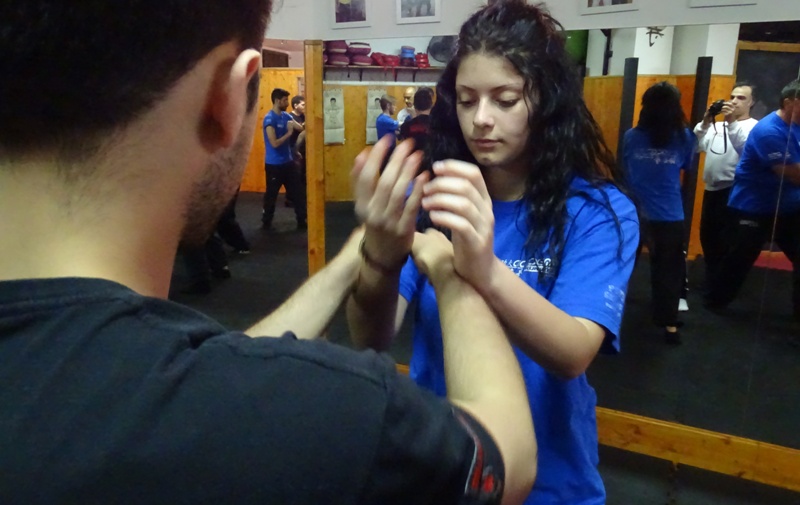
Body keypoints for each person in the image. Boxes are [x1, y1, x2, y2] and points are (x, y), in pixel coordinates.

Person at [0, 2, 538, 503]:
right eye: (468, 101)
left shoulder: (133, 394)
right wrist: (451, 267)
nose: (482, 119)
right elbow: (507, 451)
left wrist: (360, 252)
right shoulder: (333, 415)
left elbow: (207, 378)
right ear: (232, 92)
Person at [347, 1, 639, 503]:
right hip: (447, 472)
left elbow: (572, 353)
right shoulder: (440, 198)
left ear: (543, 99)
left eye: (504, 100)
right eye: (466, 100)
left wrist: (483, 271)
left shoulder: (596, 212)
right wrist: (379, 256)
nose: (481, 120)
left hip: (551, 483)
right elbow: (372, 337)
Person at [705, 79, 800, 324]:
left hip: (788, 207)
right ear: (789, 102)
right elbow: (793, 174)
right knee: (739, 258)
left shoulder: (797, 124)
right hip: (753, 207)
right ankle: (713, 302)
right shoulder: (769, 131)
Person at [623, 82, 695, 344]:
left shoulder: (631, 137)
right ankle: (669, 325)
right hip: (669, 215)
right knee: (668, 270)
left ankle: (609, 315)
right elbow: (687, 164)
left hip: (634, 212)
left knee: (623, 264)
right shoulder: (684, 137)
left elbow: (626, 169)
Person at [694, 82, 758, 288]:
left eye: (741, 98)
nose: (734, 101)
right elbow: (695, 146)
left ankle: (722, 285)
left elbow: (746, 149)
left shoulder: (755, 127)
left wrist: (731, 122)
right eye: (732, 96)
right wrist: (705, 122)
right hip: (711, 188)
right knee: (708, 237)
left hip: (734, 190)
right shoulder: (718, 125)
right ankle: (712, 280)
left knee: (727, 241)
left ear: (752, 102)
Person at [262, 88, 306, 230]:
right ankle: (266, 222)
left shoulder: (286, 116)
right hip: (274, 165)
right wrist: (289, 133)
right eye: (285, 100)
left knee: (297, 193)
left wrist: (309, 116)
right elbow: (274, 143)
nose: (287, 102)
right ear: (277, 100)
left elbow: (300, 128)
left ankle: (301, 220)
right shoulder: (269, 119)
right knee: (271, 195)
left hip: (288, 163)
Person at [399, 87, 434, 153]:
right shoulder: (439, 125)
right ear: (431, 105)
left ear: (414, 106)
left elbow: (404, 148)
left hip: (413, 160)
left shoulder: (405, 126)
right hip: (433, 161)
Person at [286, 95, 306, 208]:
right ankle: (290, 199)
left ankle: (299, 198)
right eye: (303, 104)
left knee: (302, 174)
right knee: (294, 175)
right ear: (295, 105)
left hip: (302, 150)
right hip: (292, 149)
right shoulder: (289, 117)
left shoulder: (303, 116)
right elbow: (301, 129)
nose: (304, 107)